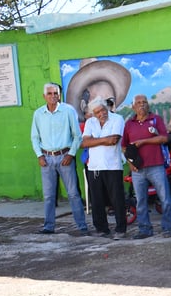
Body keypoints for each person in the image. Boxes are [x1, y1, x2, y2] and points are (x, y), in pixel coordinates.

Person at [30, 83, 89, 235]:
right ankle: (49, 226)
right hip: (46, 159)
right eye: (49, 93)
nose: (53, 96)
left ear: (59, 95)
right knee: (49, 195)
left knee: (73, 193)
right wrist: (39, 156)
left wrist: (71, 154)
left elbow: (77, 135)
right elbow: (35, 137)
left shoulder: (68, 111)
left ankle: (82, 226)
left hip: (65, 157)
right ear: (44, 96)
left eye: (55, 93)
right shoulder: (38, 114)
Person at [122, 94, 171, 239]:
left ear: (148, 105)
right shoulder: (129, 124)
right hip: (137, 170)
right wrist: (130, 163)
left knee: (165, 199)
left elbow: (164, 138)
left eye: (144, 102)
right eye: (138, 103)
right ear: (133, 107)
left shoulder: (155, 120)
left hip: (156, 166)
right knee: (140, 201)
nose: (142, 105)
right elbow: (124, 147)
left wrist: (143, 141)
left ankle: (168, 227)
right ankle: (145, 229)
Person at [81, 97, 127, 238]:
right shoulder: (90, 122)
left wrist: (94, 140)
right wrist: (104, 140)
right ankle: (101, 228)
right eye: (97, 112)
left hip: (112, 165)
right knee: (97, 199)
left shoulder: (117, 119)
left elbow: (114, 140)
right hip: (94, 166)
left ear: (106, 107)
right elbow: (84, 143)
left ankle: (121, 229)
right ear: (93, 114)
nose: (101, 113)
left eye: (103, 109)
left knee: (117, 199)